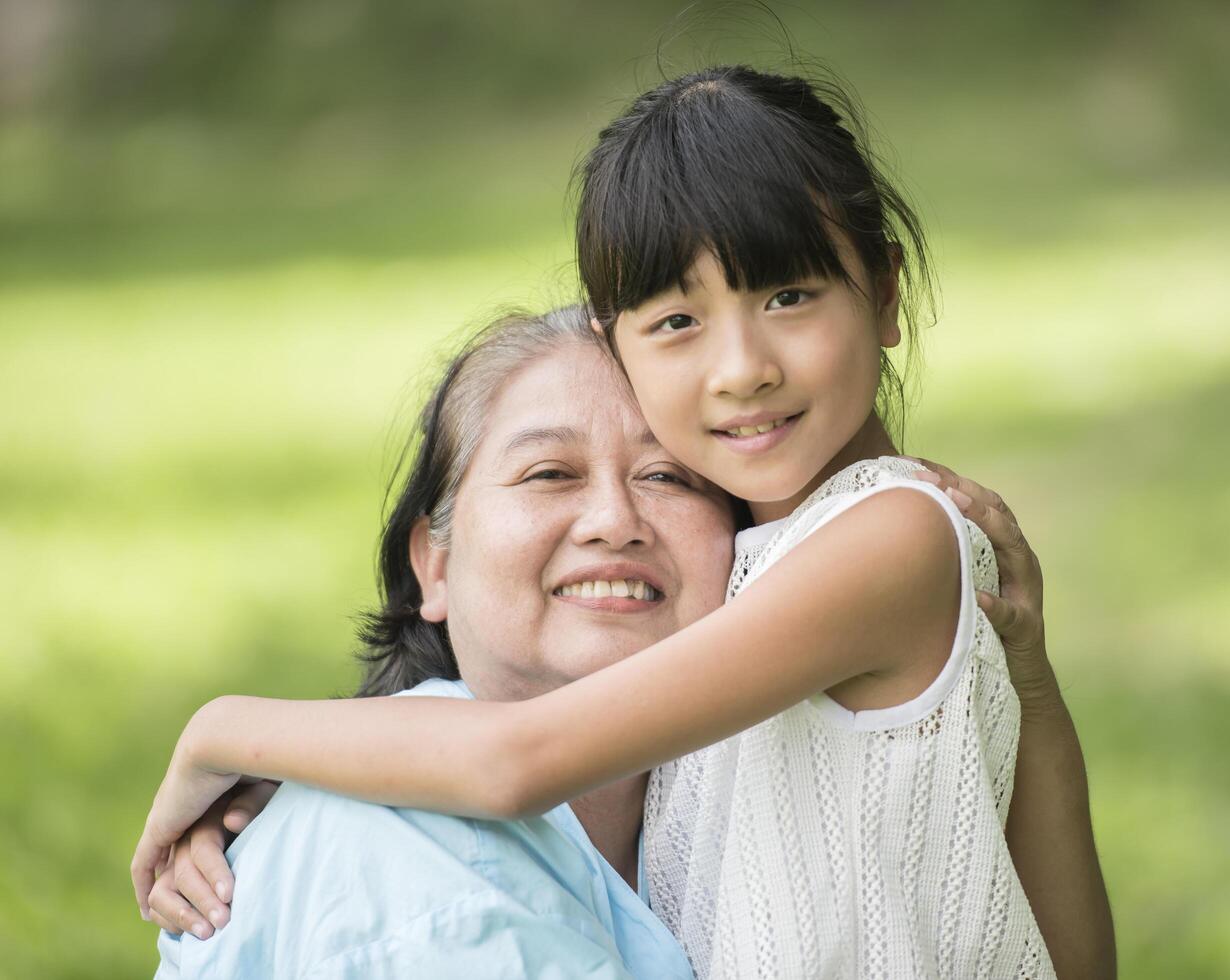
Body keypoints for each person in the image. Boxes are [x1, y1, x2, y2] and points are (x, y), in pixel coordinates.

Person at [135, 65, 1114, 979]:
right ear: (621, 344)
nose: (742, 367)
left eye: (789, 294)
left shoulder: (885, 536)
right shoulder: (745, 569)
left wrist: (224, 732)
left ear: (887, 292)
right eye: (677, 321)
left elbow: (514, 761)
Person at [151, 307, 735, 977]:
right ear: (433, 562)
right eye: (548, 473)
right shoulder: (418, 858)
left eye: (667, 476)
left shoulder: (719, 814)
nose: (613, 521)